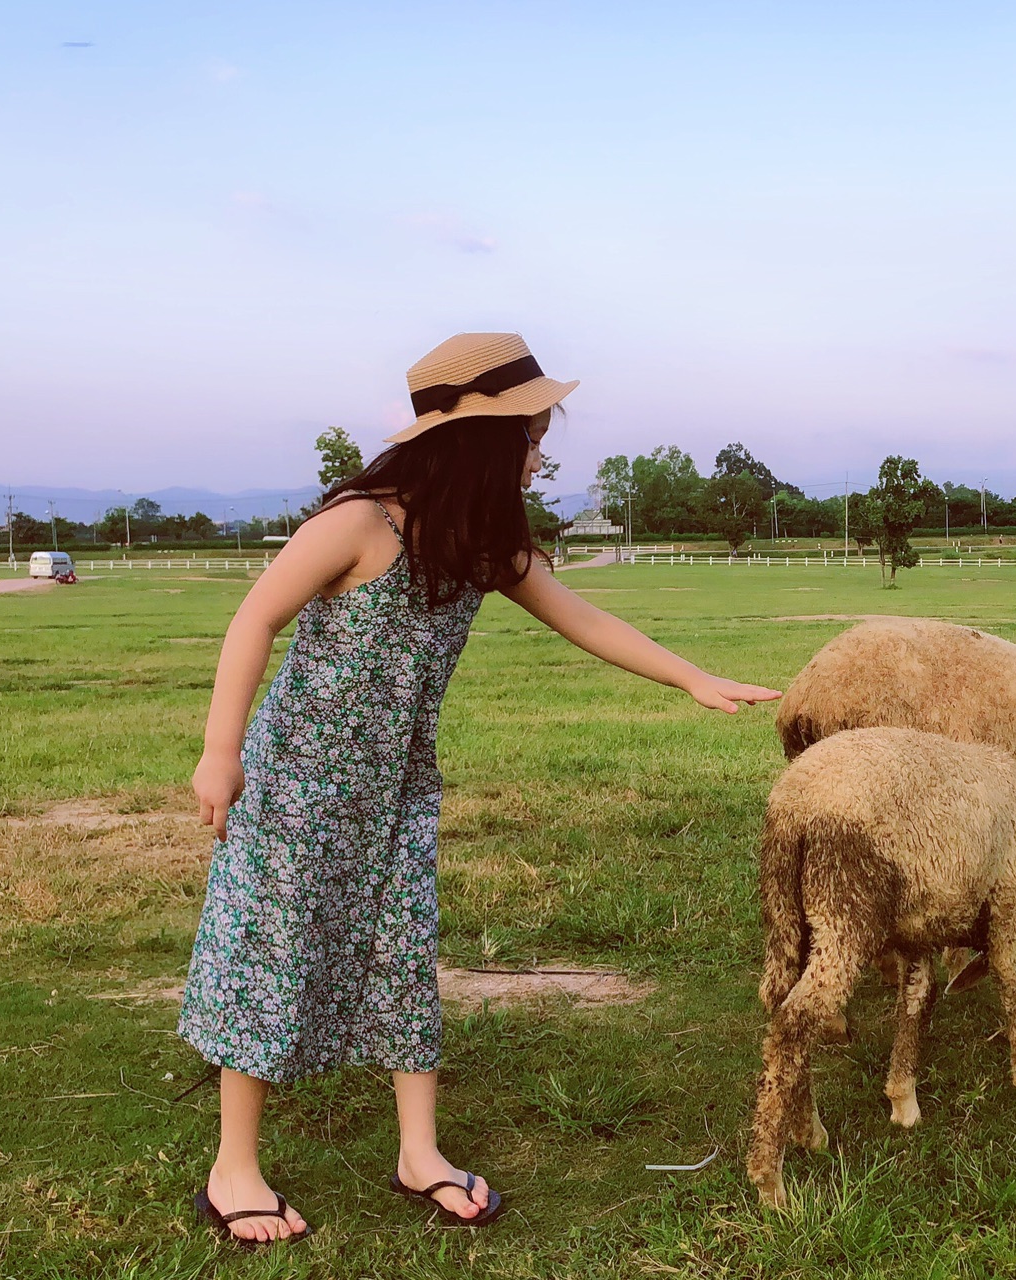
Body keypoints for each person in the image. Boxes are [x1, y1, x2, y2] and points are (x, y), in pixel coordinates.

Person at [177, 333, 780, 1246]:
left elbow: (583, 617)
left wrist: (691, 677)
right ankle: (234, 1169)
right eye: (532, 435)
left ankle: (419, 1152)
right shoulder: (357, 522)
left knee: (403, 954)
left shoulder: (482, 541)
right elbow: (254, 617)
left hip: (398, 785)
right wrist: (222, 751)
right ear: (481, 438)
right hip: (298, 778)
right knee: (269, 952)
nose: (539, 455)